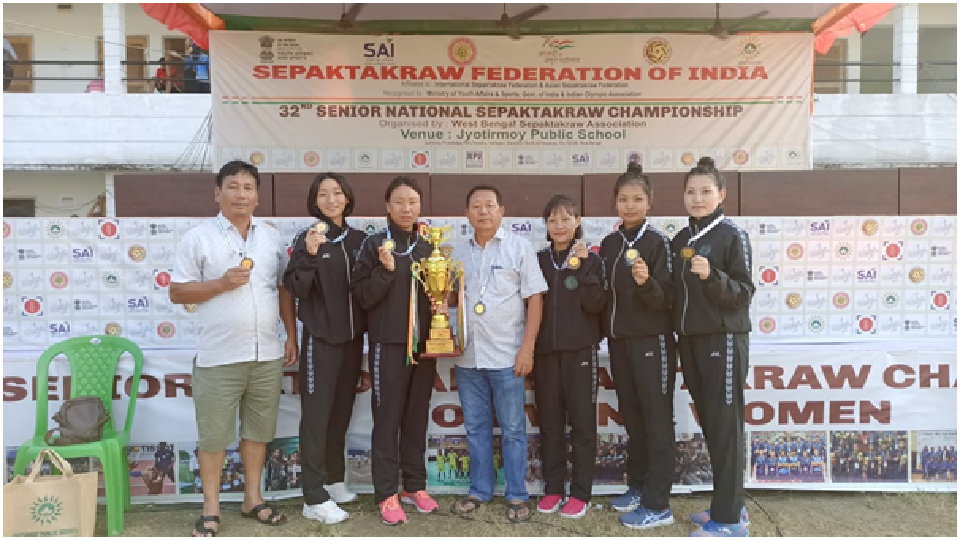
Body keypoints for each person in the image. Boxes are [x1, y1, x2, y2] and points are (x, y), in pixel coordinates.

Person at [169, 160, 298, 537]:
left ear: (257, 195)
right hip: (218, 355)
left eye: (248, 187)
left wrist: (290, 334)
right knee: (213, 436)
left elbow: (283, 289)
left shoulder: (271, 237)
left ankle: (252, 498)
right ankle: (210, 507)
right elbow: (178, 291)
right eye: (233, 186)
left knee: (258, 432)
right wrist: (220, 284)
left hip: (266, 354)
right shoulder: (198, 237)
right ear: (217, 192)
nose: (241, 194)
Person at [449, 185, 548, 524]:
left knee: (513, 429)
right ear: (467, 214)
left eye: (490, 205)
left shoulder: (519, 248)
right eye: (476, 206)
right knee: (475, 428)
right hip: (468, 357)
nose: (484, 212)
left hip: (508, 355)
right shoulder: (456, 254)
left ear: (502, 211)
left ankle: (517, 494)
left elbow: (535, 298)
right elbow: (446, 303)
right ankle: (479, 490)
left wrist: (527, 349)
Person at [673, 157, 755, 537]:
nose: (698, 198)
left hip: (723, 341)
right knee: (711, 426)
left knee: (725, 428)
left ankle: (729, 519)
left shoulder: (731, 236)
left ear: (721, 194)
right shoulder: (680, 239)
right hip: (689, 342)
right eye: (691, 191)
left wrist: (712, 276)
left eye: (706, 191)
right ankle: (727, 506)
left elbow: (743, 293)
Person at [350, 176, 438, 525]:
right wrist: (385, 273)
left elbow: (436, 298)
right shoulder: (374, 246)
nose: (406, 208)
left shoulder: (428, 248)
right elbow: (361, 296)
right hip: (388, 346)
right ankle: (386, 492)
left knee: (417, 419)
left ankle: (414, 486)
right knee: (387, 422)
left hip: (425, 347)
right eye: (399, 202)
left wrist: (442, 305)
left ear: (420, 206)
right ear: (387, 206)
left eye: (413, 202)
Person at [283, 172, 367, 524]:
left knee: (339, 415)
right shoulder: (308, 238)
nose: (331, 199)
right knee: (317, 418)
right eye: (323, 194)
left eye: (337, 193)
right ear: (314, 202)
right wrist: (311, 255)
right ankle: (313, 497)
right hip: (320, 340)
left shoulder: (362, 240)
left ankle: (333, 481)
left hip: (352, 341)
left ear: (347, 198)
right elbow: (296, 287)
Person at [598, 164, 678, 529]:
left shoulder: (657, 242)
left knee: (657, 421)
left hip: (652, 342)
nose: (629, 206)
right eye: (623, 199)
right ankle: (639, 485)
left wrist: (646, 284)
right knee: (633, 418)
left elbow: (667, 300)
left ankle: (658, 503)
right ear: (615, 202)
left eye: (637, 199)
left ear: (650, 202)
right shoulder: (612, 243)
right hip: (620, 343)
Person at [533, 195, 605, 519]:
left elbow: (596, 305)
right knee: (549, 424)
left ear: (577, 221)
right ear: (546, 225)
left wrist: (586, 266)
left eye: (566, 219)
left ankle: (580, 493)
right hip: (545, 353)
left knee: (582, 425)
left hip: (581, 353)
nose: (559, 226)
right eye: (552, 220)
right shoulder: (538, 260)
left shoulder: (592, 260)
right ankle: (552, 489)